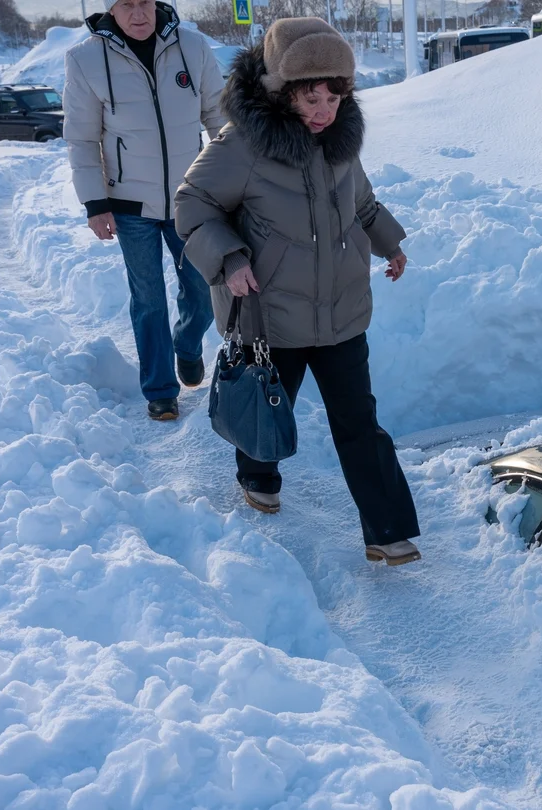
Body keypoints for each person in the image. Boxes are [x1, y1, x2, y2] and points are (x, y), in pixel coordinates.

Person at [174, 18, 421, 566]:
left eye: (335, 97)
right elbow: (191, 206)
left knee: (359, 422)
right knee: (266, 406)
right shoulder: (241, 146)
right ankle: (257, 473)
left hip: (341, 311)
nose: (324, 111)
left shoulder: (339, 143)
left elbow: (362, 204)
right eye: (311, 97)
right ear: (280, 91)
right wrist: (230, 259)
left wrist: (389, 243)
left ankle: (386, 530)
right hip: (271, 314)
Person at [63, 0, 226, 420]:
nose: (139, 14)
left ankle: (187, 345)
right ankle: (160, 390)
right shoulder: (85, 60)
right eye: (128, 5)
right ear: (112, 11)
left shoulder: (193, 47)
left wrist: (234, 181)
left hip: (190, 199)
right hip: (129, 204)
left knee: (205, 289)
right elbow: (81, 138)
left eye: (146, 3)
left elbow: (219, 118)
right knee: (148, 298)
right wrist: (95, 203)